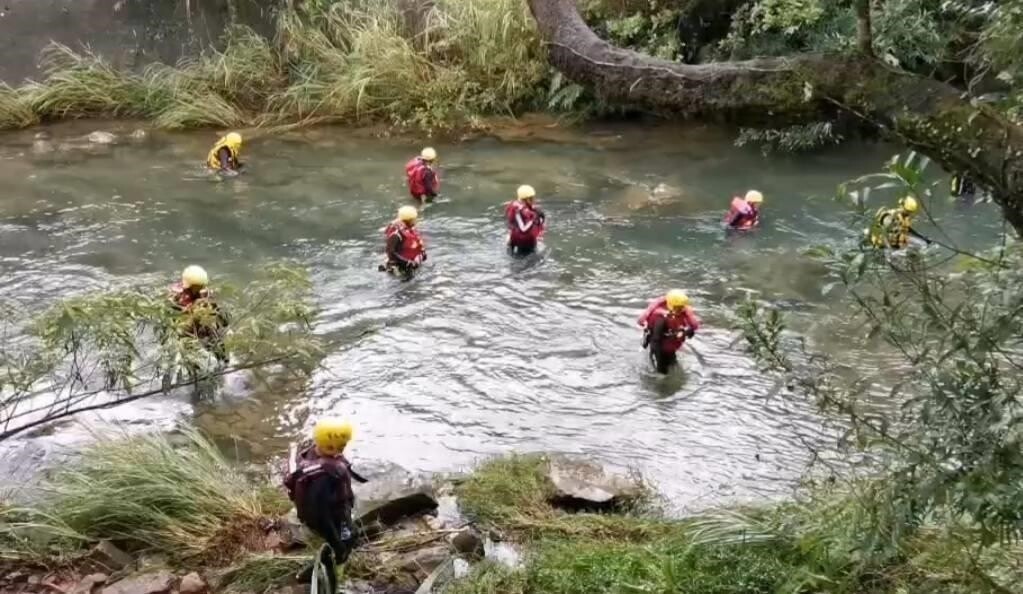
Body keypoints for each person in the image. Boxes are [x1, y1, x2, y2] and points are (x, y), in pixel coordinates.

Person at [284, 418, 367, 594]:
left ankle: (331, 561)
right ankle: (338, 577)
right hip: (325, 519)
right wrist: (337, 543)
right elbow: (320, 513)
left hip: (322, 512)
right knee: (347, 542)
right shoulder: (324, 476)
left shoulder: (311, 456)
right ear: (319, 442)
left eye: (341, 447)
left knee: (348, 536)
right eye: (331, 448)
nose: (336, 453)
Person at [168, 265, 229, 363]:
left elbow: (221, 317)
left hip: (203, 323)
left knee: (214, 334)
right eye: (197, 287)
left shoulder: (205, 294)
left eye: (201, 286)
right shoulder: (177, 297)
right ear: (189, 286)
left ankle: (223, 360)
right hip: (187, 326)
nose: (200, 289)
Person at [637, 290, 700, 374]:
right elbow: (656, 340)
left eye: (681, 307)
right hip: (658, 345)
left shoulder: (683, 313)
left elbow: (692, 328)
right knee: (662, 368)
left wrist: (685, 332)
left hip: (670, 345)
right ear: (670, 305)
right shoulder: (660, 317)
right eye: (677, 307)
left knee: (673, 362)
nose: (680, 309)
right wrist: (660, 365)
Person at [381, 205, 427, 279]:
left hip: (411, 266)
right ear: (410, 220)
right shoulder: (396, 234)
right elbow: (390, 251)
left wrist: (422, 253)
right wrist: (406, 262)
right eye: (415, 218)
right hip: (399, 268)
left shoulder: (410, 230)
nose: (416, 220)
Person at [505, 184, 546, 255]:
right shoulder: (520, 211)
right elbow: (523, 229)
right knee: (531, 260)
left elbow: (509, 222)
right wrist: (533, 219)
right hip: (526, 240)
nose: (534, 200)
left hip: (514, 238)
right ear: (527, 199)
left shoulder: (513, 205)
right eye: (532, 198)